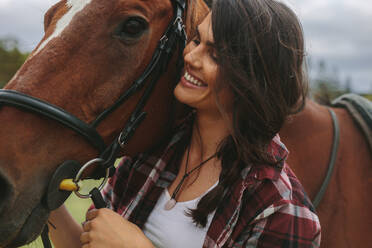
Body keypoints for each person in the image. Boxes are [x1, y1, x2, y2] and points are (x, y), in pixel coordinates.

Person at [48, 0, 321, 247]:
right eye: (196, 40)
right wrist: (45, 200)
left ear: (254, 79)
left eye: (214, 54)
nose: (190, 57)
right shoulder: (152, 150)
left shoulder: (283, 210)